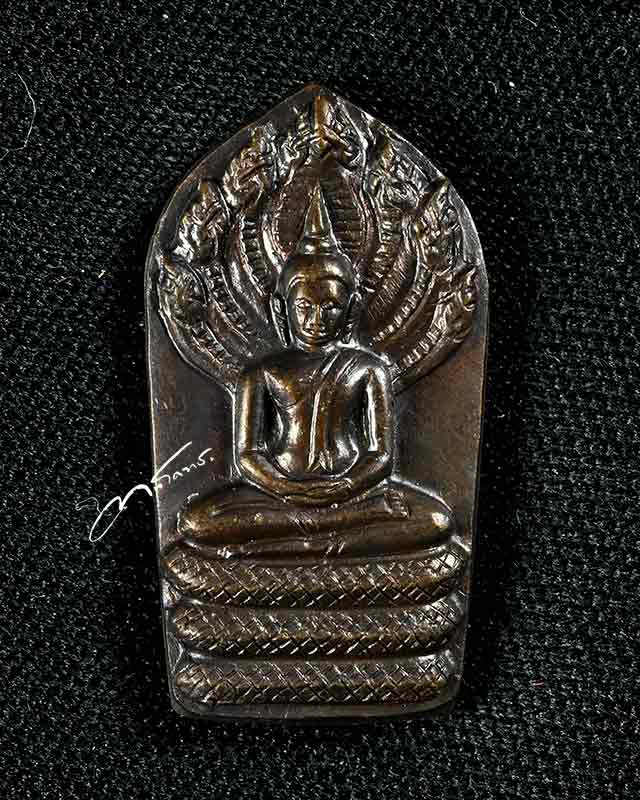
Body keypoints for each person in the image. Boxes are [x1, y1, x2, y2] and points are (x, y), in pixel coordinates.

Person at [178, 186, 455, 558]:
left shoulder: (367, 368)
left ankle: (291, 543)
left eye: (330, 308)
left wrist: (345, 487)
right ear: (282, 309)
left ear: (351, 310)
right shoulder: (262, 373)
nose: (317, 319)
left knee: (436, 520)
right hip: (277, 493)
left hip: (353, 491)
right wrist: (288, 489)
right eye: (304, 307)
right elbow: (248, 455)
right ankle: (331, 536)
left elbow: (380, 455)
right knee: (196, 521)